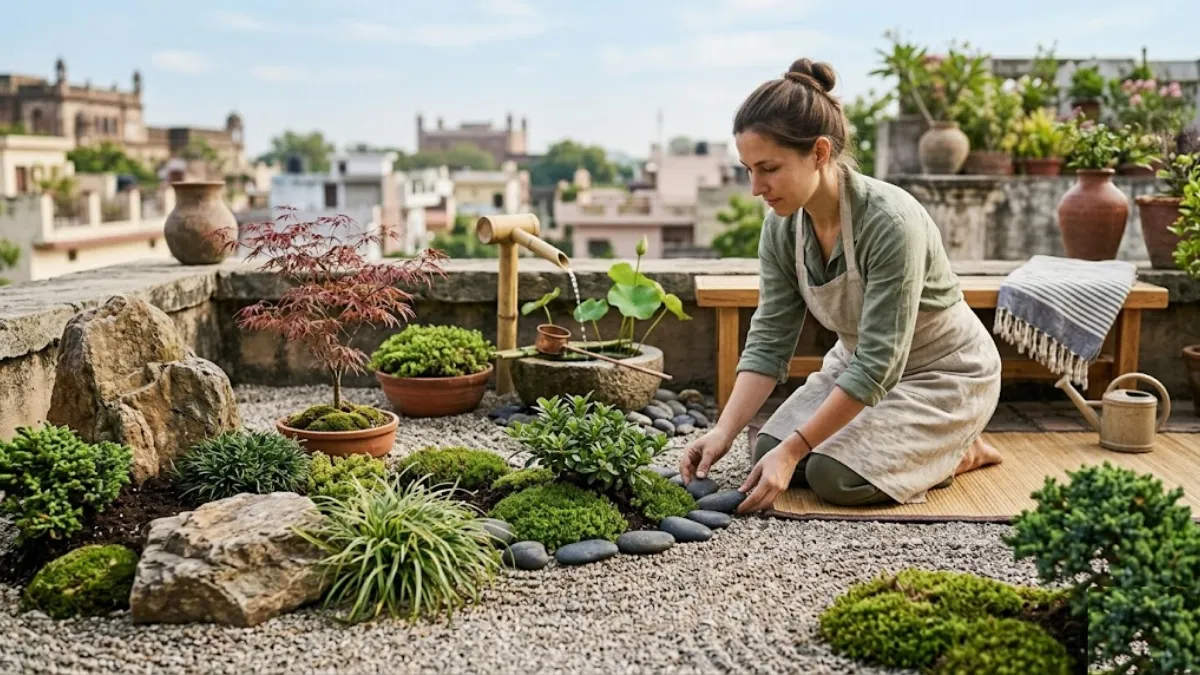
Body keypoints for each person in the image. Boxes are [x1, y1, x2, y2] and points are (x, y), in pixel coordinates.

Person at [679, 58, 1003, 515]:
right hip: (856, 366)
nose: (756, 188)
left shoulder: (890, 222)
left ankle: (957, 449)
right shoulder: (781, 228)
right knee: (764, 449)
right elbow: (770, 340)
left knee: (832, 477)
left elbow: (879, 362)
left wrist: (793, 452)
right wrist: (723, 431)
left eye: (768, 168)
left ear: (819, 152)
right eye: (748, 169)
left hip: (942, 375)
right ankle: (900, 444)